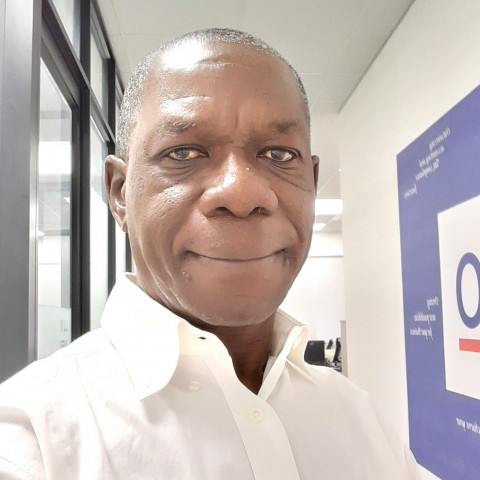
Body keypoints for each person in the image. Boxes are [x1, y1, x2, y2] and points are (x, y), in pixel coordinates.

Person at [0, 28, 421, 479]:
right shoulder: (32, 443)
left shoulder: (362, 421)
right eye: (183, 152)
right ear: (120, 193)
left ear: (312, 184)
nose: (241, 194)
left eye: (279, 154)